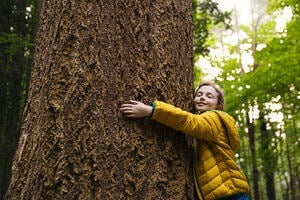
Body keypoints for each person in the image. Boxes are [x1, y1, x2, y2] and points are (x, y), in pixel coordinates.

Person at [120, 81, 249, 200]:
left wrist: (151, 110)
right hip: (227, 192)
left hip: (228, 194)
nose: (203, 97)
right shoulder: (211, 125)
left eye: (209, 96)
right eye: (199, 94)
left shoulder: (214, 118)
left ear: (219, 106)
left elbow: (189, 121)